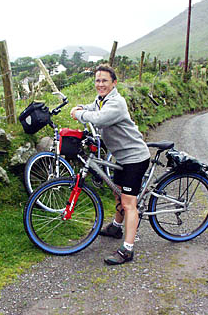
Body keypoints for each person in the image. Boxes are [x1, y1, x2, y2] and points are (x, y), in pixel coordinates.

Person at [70, 64, 150, 265]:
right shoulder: (102, 100)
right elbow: (92, 108)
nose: (100, 84)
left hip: (135, 158)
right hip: (121, 157)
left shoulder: (116, 103)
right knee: (117, 192)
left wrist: (78, 114)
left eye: (104, 80)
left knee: (129, 203)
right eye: (97, 80)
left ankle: (127, 250)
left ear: (114, 83)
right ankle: (116, 226)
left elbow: (99, 118)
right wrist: (80, 107)